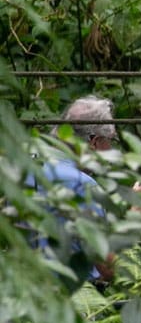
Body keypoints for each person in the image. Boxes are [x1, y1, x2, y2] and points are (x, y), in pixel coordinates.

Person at [34, 96, 119, 289]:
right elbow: (108, 269)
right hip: (73, 297)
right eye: (111, 140)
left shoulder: (27, 169)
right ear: (94, 142)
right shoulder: (83, 185)